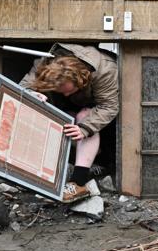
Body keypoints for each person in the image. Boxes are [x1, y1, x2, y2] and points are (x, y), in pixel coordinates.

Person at [19, 43, 119, 203]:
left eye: (67, 90)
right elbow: (22, 87)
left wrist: (85, 128)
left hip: (95, 108)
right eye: (60, 91)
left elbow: (109, 106)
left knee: (85, 115)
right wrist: (32, 93)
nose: (64, 94)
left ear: (79, 77)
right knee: (52, 112)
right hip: (69, 108)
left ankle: (79, 182)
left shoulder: (105, 69)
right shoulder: (45, 64)